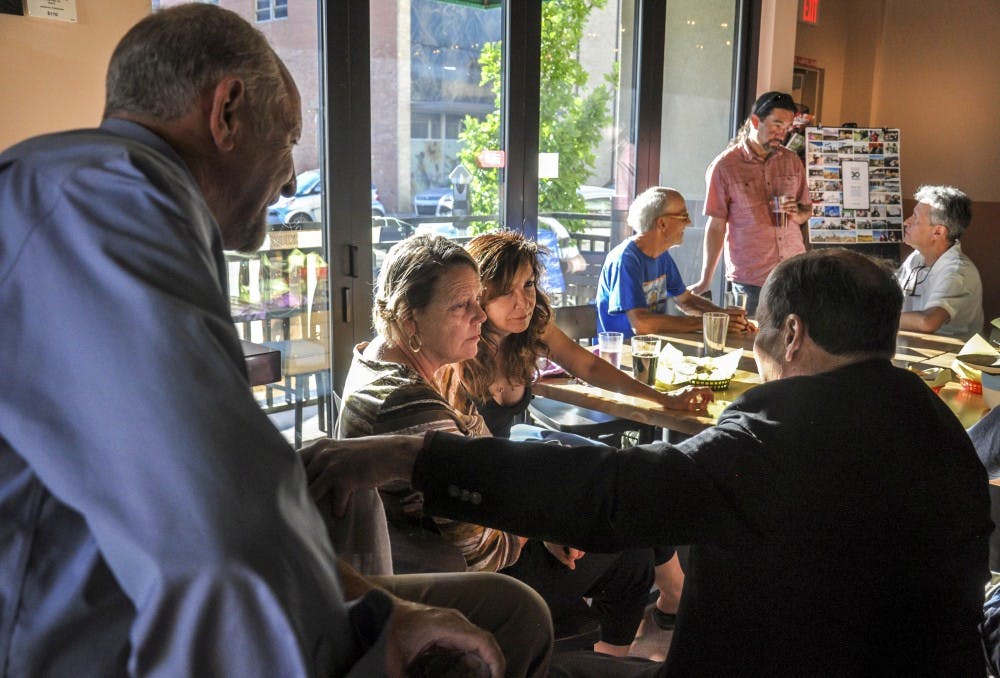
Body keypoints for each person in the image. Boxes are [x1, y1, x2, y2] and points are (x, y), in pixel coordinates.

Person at [0, 6, 550, 676]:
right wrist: (366, 641)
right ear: (227, 111)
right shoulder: (108, 202)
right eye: (288, 138)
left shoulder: (96, 190)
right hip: (80, 633)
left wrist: (382, 608)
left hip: (106, 597)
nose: (292, 178)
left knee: (508, 611)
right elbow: (205, 510)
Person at [305, 248, 992, 676]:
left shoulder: (785, 434)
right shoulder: (938, 428)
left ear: (792, 333)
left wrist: (412, 457)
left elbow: (617, 493)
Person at [336, 234, 655, 657]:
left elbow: (487, 459)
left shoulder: (397, 359)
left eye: (477, 300)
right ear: (410, 320)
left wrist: (544, 522)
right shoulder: (408, 401)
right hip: (456, 584)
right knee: (630, 553)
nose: (480, 317)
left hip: (445, 554)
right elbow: (486, 552)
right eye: (461, 305)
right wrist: (540, 529)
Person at [689, 91, 812, 315]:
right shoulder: (725, 166)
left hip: (793, 273)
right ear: (756, 121)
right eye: (776, 125)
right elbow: (716, 226)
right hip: (751, 279)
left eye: (786, 128)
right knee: (750, 343)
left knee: (793, 342)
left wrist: (796, 214)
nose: (781, 134)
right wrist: (705, 280)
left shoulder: (792, 161)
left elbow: (806, 211)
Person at [596, 186, 753, 339]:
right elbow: (640, 324)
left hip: (652, 347)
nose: (689, 222)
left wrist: (724, 317)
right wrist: (706, 323)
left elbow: (685, 300)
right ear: (662, 223)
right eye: (683, 216)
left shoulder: (661, 255)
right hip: (621, 353)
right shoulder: (626, 260)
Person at [896, 185, 983, 339]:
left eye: (915, 218)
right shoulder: (916, 258)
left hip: (948, 358)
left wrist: (875, 319)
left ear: (938, 232)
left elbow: (928, 322)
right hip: (911, 351)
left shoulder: (958, 271)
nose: (906, 222)